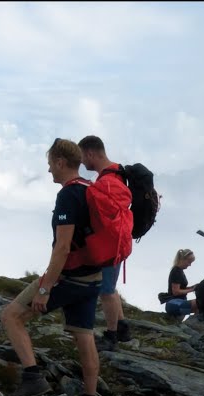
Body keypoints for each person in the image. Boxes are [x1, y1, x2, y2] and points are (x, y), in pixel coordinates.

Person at [1, 138, 103, 396]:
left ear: (60, 162)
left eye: (50, 165)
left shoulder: (69, 194)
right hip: (94, 277)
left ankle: (33, 379)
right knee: (84, 333)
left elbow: (62, 247)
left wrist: (45, 289)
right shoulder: (90, 189)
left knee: (11, 315)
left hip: (69, 277)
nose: (48, 171)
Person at [78, 135, 131, 351]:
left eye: (83, 157)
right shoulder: (117, 173)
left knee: (106, 291)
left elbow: (105, 217)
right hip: (120, 241)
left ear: (91, 153)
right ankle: (123, 326)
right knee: (111, 287)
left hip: (111, 244)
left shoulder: (107, 182)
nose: (82, 163)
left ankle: (111, 336)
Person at [162, 248, 200, 319]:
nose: (190, 265)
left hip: (178, 303)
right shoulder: (176, 271)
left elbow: (181, 289)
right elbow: (176, 292)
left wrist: (193, 287)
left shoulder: (180, 271)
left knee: (201, 307)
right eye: (189, 262)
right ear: (182, 259)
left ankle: (196, 325)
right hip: (174, 303)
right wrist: (192, 290)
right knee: (201, 302)